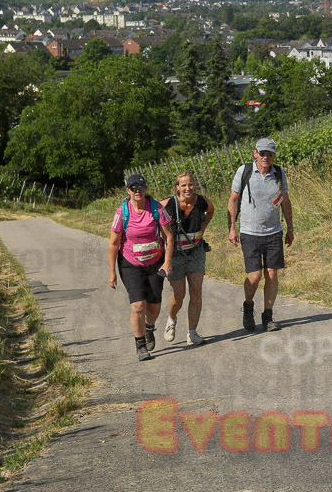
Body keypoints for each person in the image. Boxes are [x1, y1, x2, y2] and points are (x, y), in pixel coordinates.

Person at [227, 138, 294, 333]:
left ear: (274, 156)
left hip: (273, 232)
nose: (266, 157)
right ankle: (248, 307)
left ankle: (268, 316)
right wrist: (232, 228)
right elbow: (233, 200)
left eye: (270, 154)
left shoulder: (279, 174)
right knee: (254, 276)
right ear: (255, 153)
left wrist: (290, 228)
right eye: (262, 153)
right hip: (249, 232)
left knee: (272, 274)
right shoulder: (244, 171)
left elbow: (285, 201)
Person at [108, 173, 174, 361]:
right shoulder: (122, 212)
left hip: (155, 262)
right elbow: (113, 244)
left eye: (140, 187)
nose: (137, 191)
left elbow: (169, 236)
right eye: (133, 188)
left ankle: (149, 327)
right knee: (138, 305)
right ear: (128, 190)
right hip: (130, 264)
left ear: (145, 189)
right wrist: (112, 272)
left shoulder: (156, 209)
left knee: (154, 307)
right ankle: (140, 345)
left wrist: (167, 262)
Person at [161, 171, 215, 346]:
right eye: (183, 185)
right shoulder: (167, 204)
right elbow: (154, 218)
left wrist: (201, 231)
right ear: (177, 187)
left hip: (196, 252)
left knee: (196, 291)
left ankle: (192, 333)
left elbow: (211, 211)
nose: (187, 188)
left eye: (190, 184)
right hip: (175, 254)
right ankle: (171, 320)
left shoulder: (202, 202)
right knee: (179, 295)